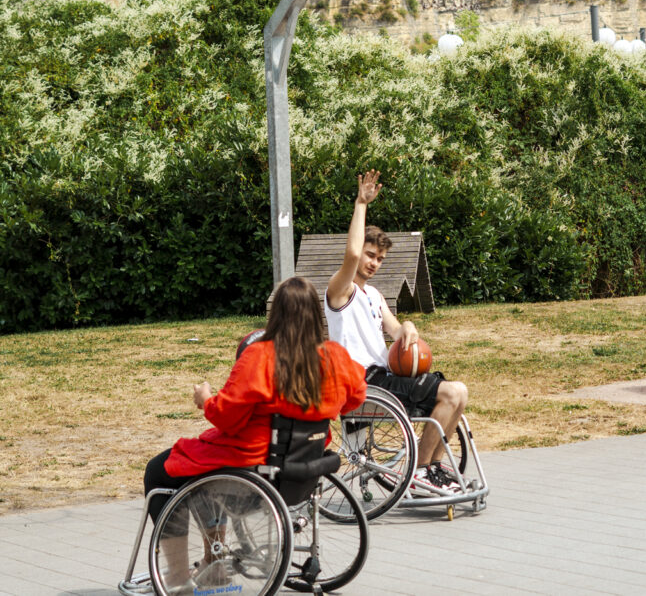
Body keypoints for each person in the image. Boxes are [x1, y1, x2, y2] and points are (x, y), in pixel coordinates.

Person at [143, 276, 366, 589]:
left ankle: (179, 576)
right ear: (316, 316)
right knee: (202, 467)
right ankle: (213, 563)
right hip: (300, 470)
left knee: (159, 471)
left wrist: (206, 398)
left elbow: (227, 417)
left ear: (275, 316)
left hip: (252, 468)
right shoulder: (336, 358)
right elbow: (355, 398)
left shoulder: (260, 357)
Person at [324, 169, 469, 495]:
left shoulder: (373, 296)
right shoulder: (339, 292)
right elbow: (350, 253)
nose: (374, 263)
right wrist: (361, 203)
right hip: (362, 381)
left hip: (384, 378)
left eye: (380, 259)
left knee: (459, 392)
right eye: (370, 255)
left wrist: (409, 327)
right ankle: (419, 470)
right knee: (448, 393)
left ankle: (429, 466)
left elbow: (395, 326)